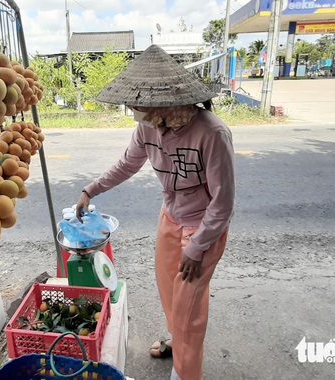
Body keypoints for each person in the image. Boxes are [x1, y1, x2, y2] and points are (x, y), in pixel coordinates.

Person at [75, 45, 235, 380]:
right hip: (170, 218)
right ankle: (179, 343)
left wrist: (196, 247)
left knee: (189, 306)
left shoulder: (212, 133)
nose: (134, 109)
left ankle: (186, 372)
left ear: (165, 103)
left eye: (140, 103)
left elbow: (222, 203)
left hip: (203, 229)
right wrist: (91, 189)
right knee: (168, 291)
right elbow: (127, 163)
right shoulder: (149, 127)